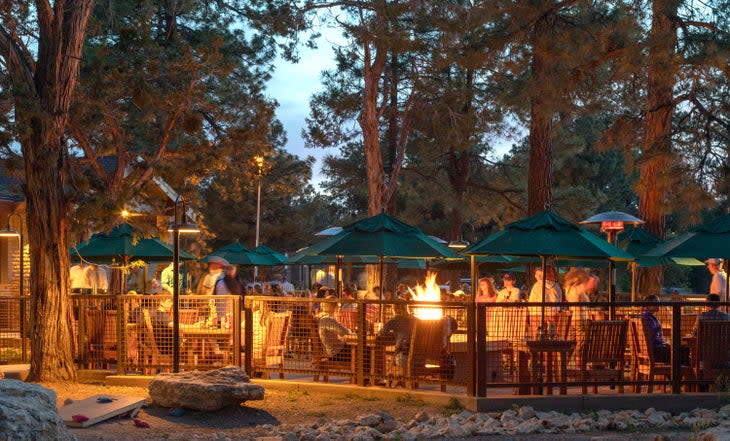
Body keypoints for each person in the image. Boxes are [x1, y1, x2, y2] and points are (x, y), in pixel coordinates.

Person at [639, 294, 689, 364]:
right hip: (656, 352)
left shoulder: (644, 317)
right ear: (648, 305)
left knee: (682, 350)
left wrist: (665, 343)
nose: (659, 305)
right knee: (684, 351)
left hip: (652, 350)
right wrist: (664, 344)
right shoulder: (648, 318)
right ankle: (681, 373)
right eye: (656, 303)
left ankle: (671, 373)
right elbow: (652, 336)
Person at [376, 301, 415, 368]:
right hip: (420, 359)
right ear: (406, 308)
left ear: (395, 310)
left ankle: (400, 377)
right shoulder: (416, 320)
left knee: (395, 359)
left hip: (404, 358)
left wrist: (395, 334)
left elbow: (381, 333)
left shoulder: (395, 320)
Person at [528, 266, 563, 337]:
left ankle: (537, 347)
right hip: (553, 314)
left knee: (537, 335)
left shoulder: (537, 285)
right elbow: (559, 301)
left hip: (537, 313)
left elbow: (531, 301)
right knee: (551, 335)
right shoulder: (557, 286)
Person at [317, 295, 353, 362]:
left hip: (333, 351)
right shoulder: (327, 319)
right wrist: (350, 332)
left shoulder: (324, 318)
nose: (339, 309)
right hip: (337, 353)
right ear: (333, 307)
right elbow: (344, 331)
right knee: (362, 350)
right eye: (338, 306)